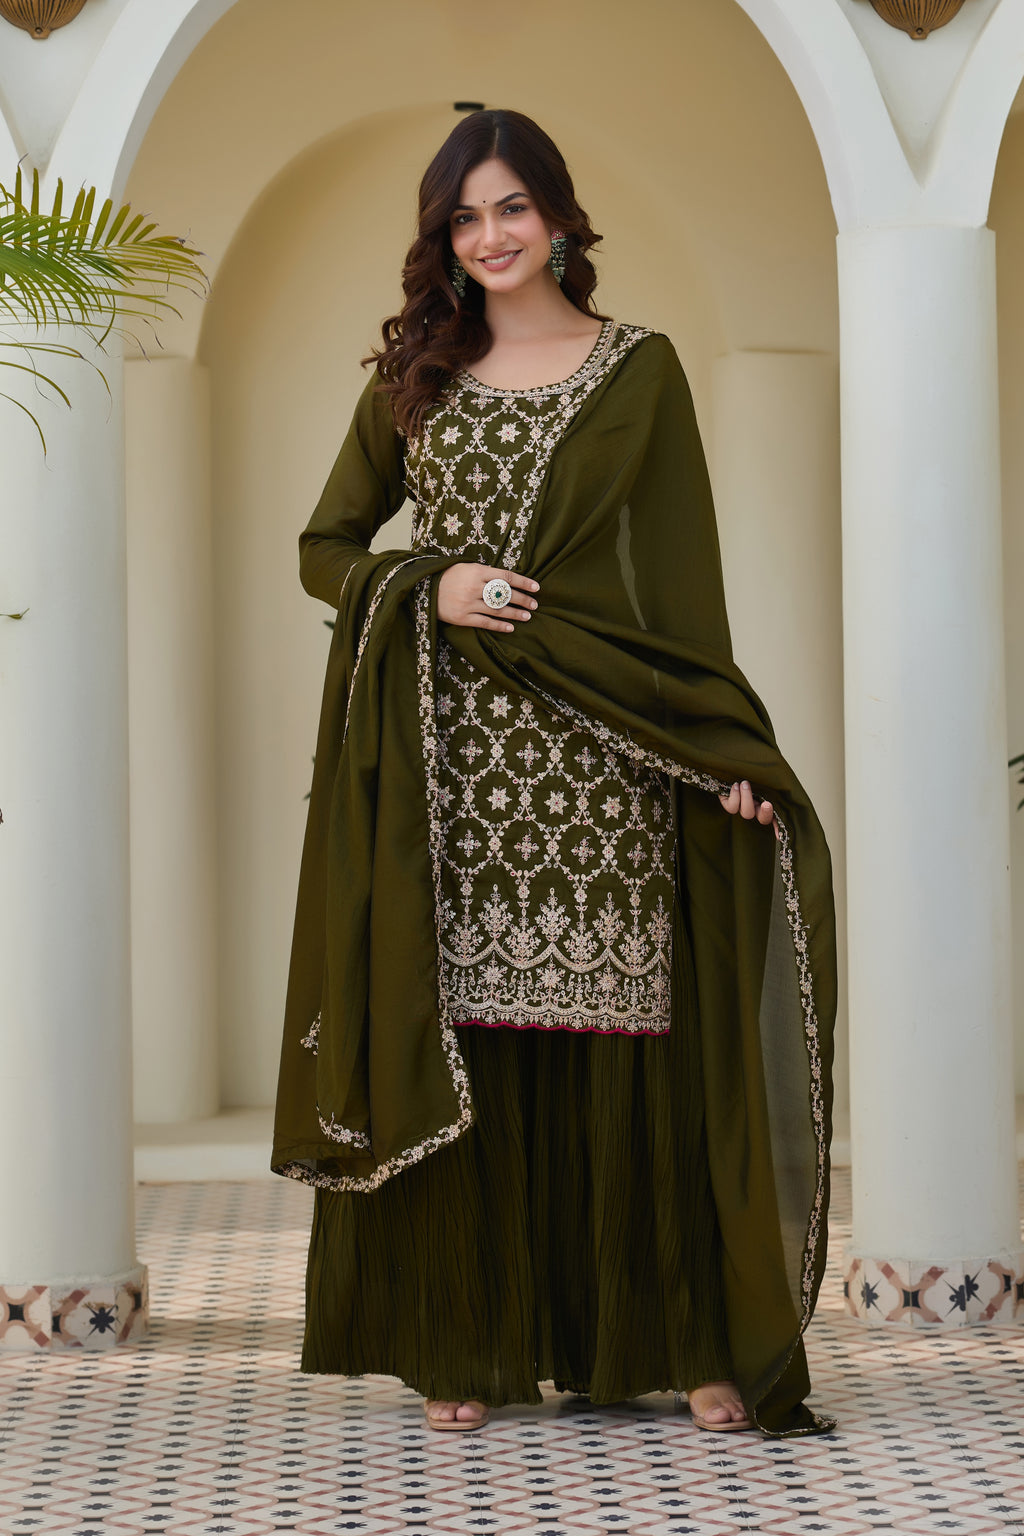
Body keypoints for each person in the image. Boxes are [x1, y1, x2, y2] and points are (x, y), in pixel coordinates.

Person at [271, 108, 837, 1439]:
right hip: (451, 768)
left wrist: (720, 749)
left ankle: (680, 1339)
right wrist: (432, 582)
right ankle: (465, 1339)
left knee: (630, 1043)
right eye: (464, 217)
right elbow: (324, 548)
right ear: (442, 238)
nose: (491, 236)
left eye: (512, 207)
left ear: (561, 216)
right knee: (474, 1039)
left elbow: (683, 584)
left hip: (611, 759)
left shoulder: (640, 367)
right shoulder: (415, 376)